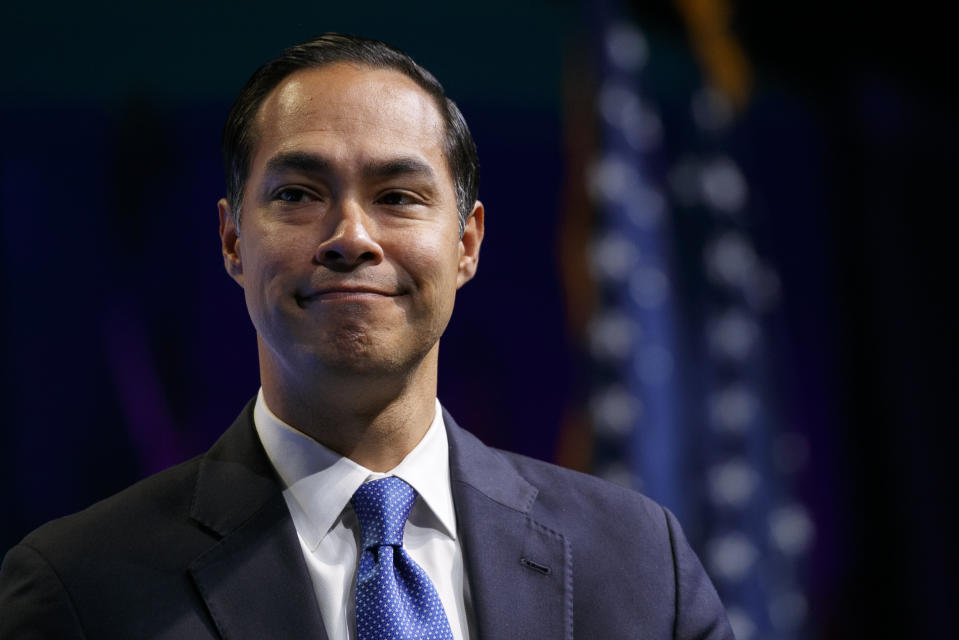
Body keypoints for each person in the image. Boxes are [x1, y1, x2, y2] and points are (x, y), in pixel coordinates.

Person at [0, 33, 733, 639]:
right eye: (297, 195)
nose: (351, 236)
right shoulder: (79, 590)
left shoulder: (641, 562)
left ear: (467, 245)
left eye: (397, 197)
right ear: (231, 241)